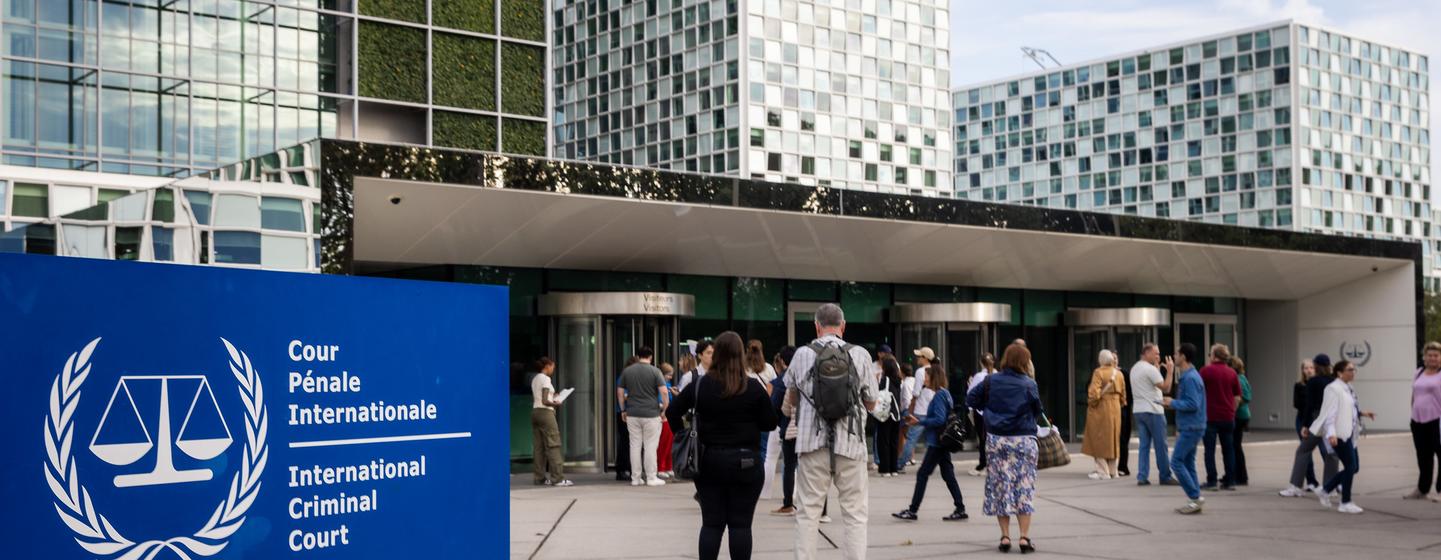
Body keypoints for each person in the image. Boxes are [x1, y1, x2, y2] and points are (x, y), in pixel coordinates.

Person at [667, 331, 777, 559]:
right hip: (746, 461)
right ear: (740, 355)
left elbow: (672, 411)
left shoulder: (700, 385)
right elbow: (769, 423)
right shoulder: (754, 387)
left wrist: (683, 434)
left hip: (708, 460)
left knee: (712, 524)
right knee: (741, 525)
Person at [782, 303, 877, 560]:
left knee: (807, 513)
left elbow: (790, 400)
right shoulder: (860, 354)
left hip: (812, 444)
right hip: (852, 444)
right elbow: (871, 402)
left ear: (816, 326)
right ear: (843, 326)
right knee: (855, 515)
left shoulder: (802, 354)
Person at [967, 343, 1043, 554]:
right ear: (1024, 362)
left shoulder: (991, 381)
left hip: (997, 439)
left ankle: (1005, 536)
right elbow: (1038, 409)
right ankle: (1025, 538)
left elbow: (970, 399)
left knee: (1001, 487)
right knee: (1024, 487)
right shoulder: (1029, 384)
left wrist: (990, 412)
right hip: (1023, 440)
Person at [891, 363, 968, 522]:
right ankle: (960, 508)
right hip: (942, 441)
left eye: (926, 376)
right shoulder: (945, 393)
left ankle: (913, 510)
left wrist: (919, 420)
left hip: (937, 442)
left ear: (933, 377)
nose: (924, 379)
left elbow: (939, 419)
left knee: (923, 474)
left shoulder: (939, 395)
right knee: (948, 474)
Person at [1312, 359, 1375, 514]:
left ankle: (1325, 490)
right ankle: (1345, 502)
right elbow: (1330, 414)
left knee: (1354, 467)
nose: (1353, 372)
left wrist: (1362, 413)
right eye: (1350, 369)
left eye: (1354, 369)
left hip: (1350, 434)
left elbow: (1348, 408)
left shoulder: (1348, 387)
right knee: (1350, 467)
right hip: (1339, 434)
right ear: (1340, 372)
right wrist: (1332, 434)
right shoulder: (1333, 389)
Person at [1279, 354, 1341, 498]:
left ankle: (1295, 487)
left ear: (1316, 366)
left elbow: (1309, 405)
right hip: (1332, 421)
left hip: (1318, 420)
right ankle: (1330, 488)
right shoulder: (1335, 381)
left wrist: (1305, 425)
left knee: (1303, 451)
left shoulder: (1314, 382)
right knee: (1331, 454)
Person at [1164, 343, 1207, 514]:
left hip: (1192, 426)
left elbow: (1193, 404)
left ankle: (1195, 497)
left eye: (1177, 353)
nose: (1174, 356)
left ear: (1183, 356)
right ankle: (1194, 498)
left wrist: (1172, 402)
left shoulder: (1190, 378)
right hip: (1193, 425)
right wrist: (1172, 403)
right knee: (1188, 462)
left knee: (1176, 462)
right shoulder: (1190, 376)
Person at [618, 347, 670, 486]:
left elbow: (620, 392)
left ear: (638, 356)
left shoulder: (627, 371)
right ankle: (651, 477)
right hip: (651, 413)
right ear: (651, 357)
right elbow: (664, 392)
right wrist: (665, 409)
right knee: (650, 446)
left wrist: (623, 410)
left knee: (634, 445)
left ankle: (636, 478)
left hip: (632, 413)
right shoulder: (655, 371)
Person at [1130, 343, 1175, 486]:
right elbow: (1166, 388)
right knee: (1160, 445)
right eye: (1156, 353)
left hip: (1139, 410)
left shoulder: (1135, 368)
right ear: (1146, 353)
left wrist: (1156, 369)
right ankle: (1165, 476)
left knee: (1144, 445)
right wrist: (1170, 371)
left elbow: (1148, 385)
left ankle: (1142, 476)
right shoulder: (1150, 369)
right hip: (1153, 410)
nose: (1158, 356)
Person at [1199, 344, 1240, 491]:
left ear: (1214, 356)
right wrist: (1232, 411)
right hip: (1227, 417)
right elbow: (1237, 396)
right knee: (1228, 449)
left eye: (1210, 354)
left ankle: (1212, 481)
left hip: (1210, 417)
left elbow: (1198, 392)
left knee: (1209, 450)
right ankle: (1230, 480)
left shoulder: (1205, 371)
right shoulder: (1232, 373)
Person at [1083, 350, 1126, 480]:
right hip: (1116, 408)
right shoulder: (1118, 374)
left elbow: (1093, 394)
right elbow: (1124, 396)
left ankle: (1103, 471)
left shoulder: (1098, 372)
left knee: (1099, 438)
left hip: (1101, 407)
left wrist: (1091, 402)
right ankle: (1114, 471)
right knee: (1113, 439)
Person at [530, 357, 573, 487]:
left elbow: (541, 397)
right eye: (552, 367)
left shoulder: (535, 379)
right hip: (546, 413)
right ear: (547, 366)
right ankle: (557, 478)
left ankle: (539, 478)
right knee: (553, 444)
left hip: (535, 412)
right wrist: (555, 403)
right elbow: (544, 400)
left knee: (539, 447)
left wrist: (553, 396)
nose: (553, 369)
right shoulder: (546, 379)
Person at [766, 346, 799, 514]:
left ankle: (788, 503)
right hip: (809, 429)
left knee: (789, 466)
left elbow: (775, 407)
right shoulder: (807, 375)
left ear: (783, 361)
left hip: (788, 428)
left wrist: (780, 422)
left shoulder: (781, 381)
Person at [1408, 342, 1441, 501]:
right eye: (1430, 355)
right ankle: (1422, 489)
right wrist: (1413, 411)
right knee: (1423, 456)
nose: (1432, 358)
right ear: (1425, 357)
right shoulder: (1419, 372)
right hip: (1418, 421)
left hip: (1437, 421)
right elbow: (1414, 394)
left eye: (1436, 355)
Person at [899, 347, 936, 471]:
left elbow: (916, 393)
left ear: (925, 358)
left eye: (919, 356)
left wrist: (911, 408)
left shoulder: (920, 372)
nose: (917, 358)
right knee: (933, 439)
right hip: (933, 409)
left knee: (911, 438)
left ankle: (900, 464)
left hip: (921, 409)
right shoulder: (936, 370)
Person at [1291, 360, 1321, 492]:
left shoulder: (1320, 384)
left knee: (1326, 451)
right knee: (1305, 451)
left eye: (1311, 368)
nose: (1309, 370)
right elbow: (1297, 403)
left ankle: (1333, 482)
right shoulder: (1299, 385)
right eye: (1306, 368)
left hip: (1317, 419)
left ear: (1315, 369)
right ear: (1302, 370)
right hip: (1302, 420)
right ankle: (1311, 481)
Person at [966, 353, 997, 477]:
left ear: (981, 363)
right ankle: (992, 464)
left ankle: (982, 463)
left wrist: (969, 383)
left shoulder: (979, 376)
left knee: (983, 438)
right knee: (992, 438)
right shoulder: (997, 374)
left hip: (981, 411)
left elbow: (971, 393)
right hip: (995, 410)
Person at [874, 358, 903, 478]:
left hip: (885, 414)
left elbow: (879, 393)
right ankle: (893, 468)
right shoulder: (898, 380)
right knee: (893, 442)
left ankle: (885, 469)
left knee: (883, 441)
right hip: (896, 414)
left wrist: (876, 379)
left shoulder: (885, 379)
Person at [1230, 356, 1252, 486]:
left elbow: (1247, 397)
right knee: (1235, 446)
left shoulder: (1238, 379)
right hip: (1243, 415)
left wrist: (1234, 405)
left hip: (1239, 415)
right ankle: (1238, 474)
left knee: (1235, 446)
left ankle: (1241, 476)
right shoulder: (1242, 378)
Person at [658, 362, 678, 479]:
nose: (670, 377)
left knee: (669, 443)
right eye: (668, 375)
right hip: (664, 416)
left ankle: (668, 466)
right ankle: (661, 467)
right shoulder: (661, 386)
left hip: (668, 416)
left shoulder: (668, 385)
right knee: (664, 443)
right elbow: (660, 401)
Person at [896, 363, 916, 472]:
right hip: (913, 410)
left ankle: (902, 461)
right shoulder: (914, 381)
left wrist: (904, 411)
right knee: (910, 436)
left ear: (902, 372)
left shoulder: (905, 384)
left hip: (906, 411)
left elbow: (907, 399)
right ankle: (911, 458)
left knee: (903, 436)